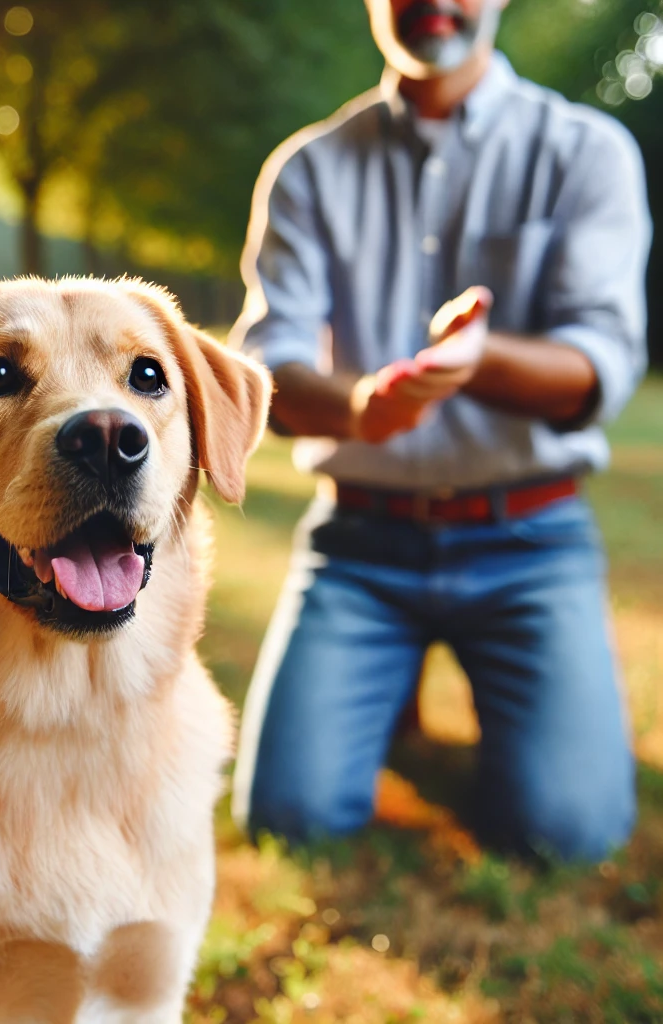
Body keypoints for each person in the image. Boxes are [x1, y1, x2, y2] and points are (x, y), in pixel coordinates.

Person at [230, 0, 652, 862]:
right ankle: (386, 682)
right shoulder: (308, 168)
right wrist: (360, 408)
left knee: (567, 833)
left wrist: (482, 358)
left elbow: (601, 363)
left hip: (530, 542)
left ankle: (461, 705)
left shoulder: (586, 151)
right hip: (360, 545)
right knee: (290, 819)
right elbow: (264, 370)